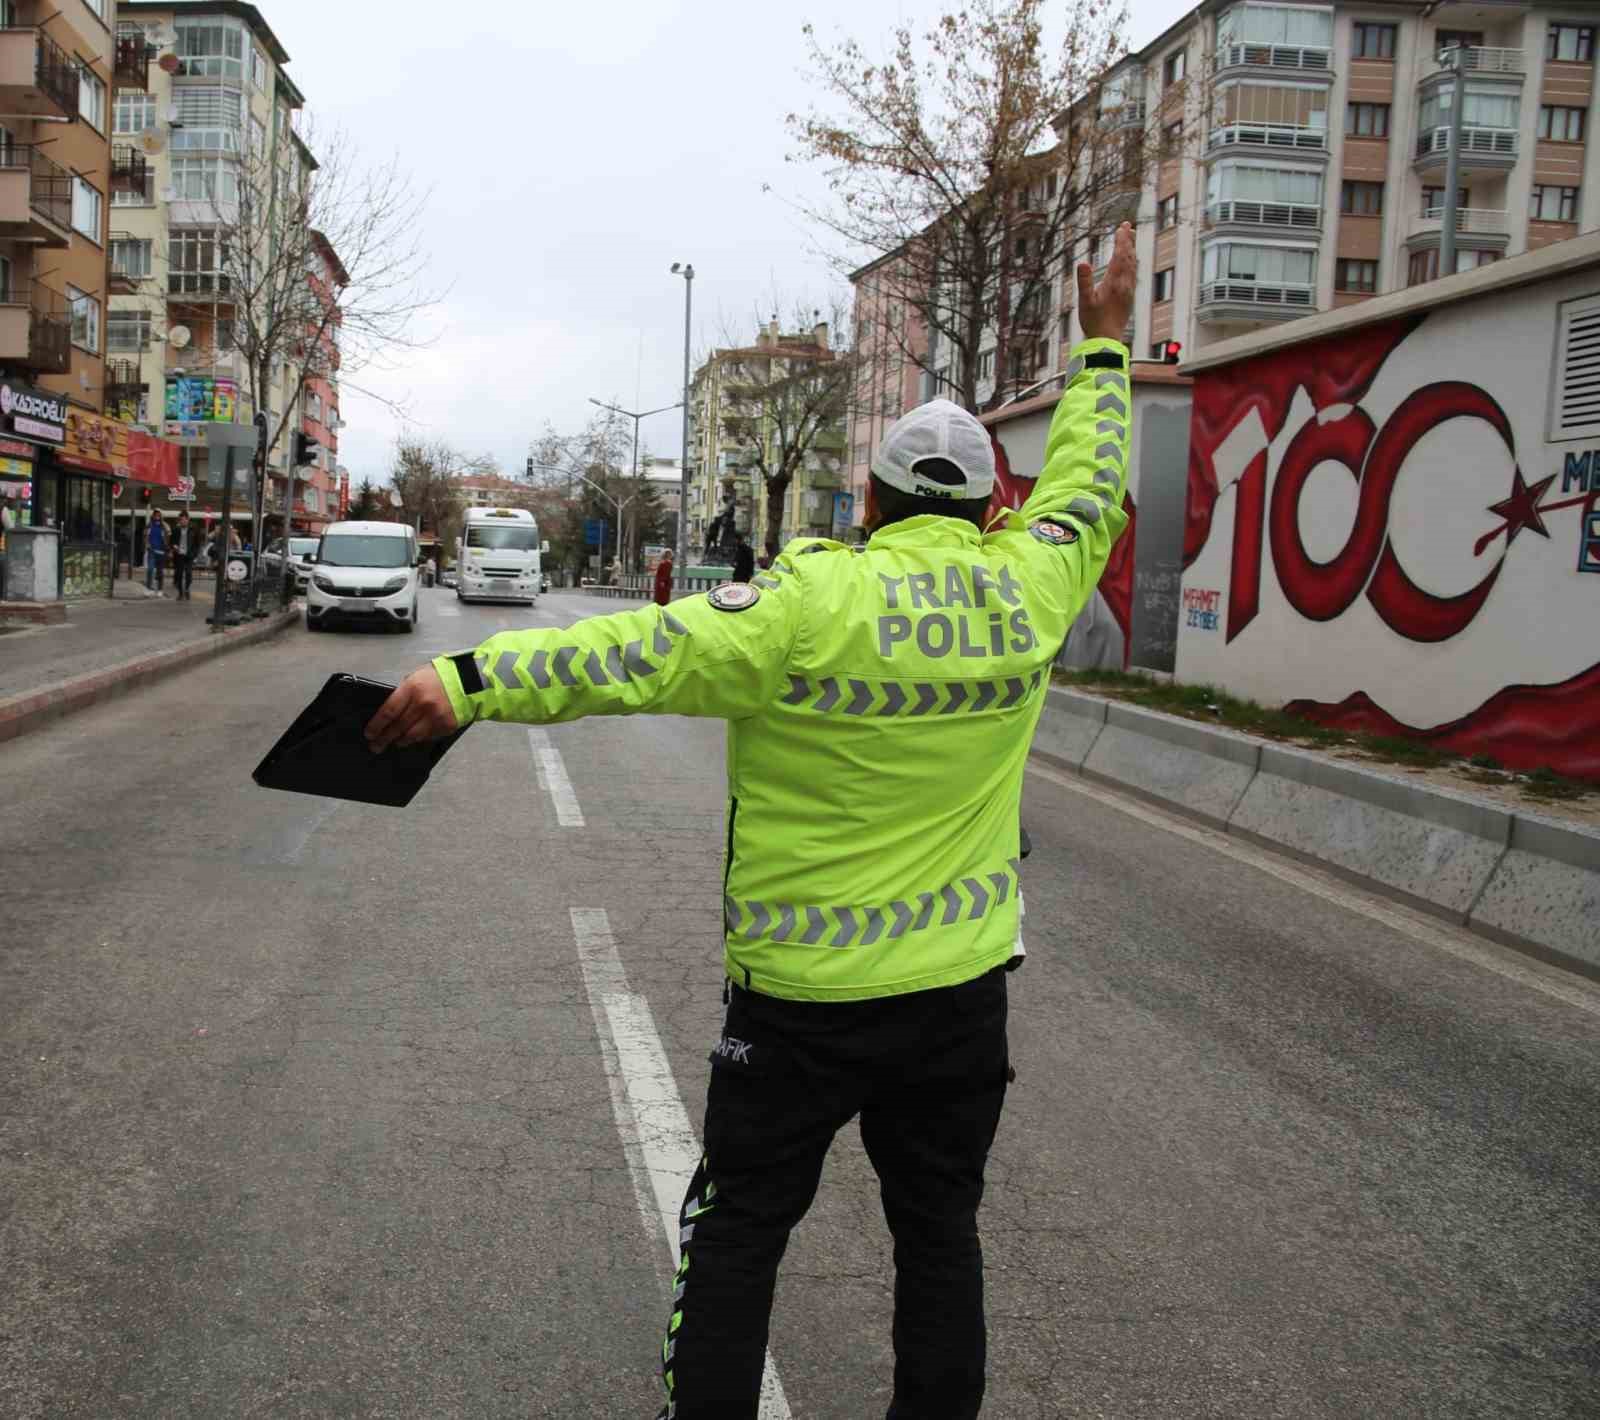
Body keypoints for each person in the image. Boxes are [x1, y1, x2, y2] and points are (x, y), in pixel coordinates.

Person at [366, 223, 1138, 1420]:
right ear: (993, 507)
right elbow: (1091, 488)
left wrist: (465, 684)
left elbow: (628, 652)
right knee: (939, 1238)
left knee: (738, 1235)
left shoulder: (804, 599)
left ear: (869, 497)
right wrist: (1101, 349)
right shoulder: (1029, 584)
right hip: (958, 998)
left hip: (798, 1008)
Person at [170, 511, 196, 601]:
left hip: (189, 555)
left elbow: (197, 543)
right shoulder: (176, 530)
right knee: (179, 575)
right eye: (181, 520)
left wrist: (194, 554)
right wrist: (174, 546)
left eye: (185, 520)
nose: (183, 521)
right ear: (179, 520)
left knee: (189, 574)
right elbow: (171, 541)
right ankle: (180, 593)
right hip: (179, 555)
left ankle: (187, 589)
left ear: (188, 520)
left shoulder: (193, 530)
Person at [145, 510, 168, 593]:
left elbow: (167, 537)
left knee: (160, 571)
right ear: (153, 516)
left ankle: (160, 589)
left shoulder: (164, 526)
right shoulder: (149, 525)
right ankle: (148, 588)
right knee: (150, 569)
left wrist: (166, 548)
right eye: (156, 515)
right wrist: (147, 544)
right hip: (152, 551)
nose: (157, 517)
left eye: (159, 515)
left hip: (161, 552)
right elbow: (146, 536)